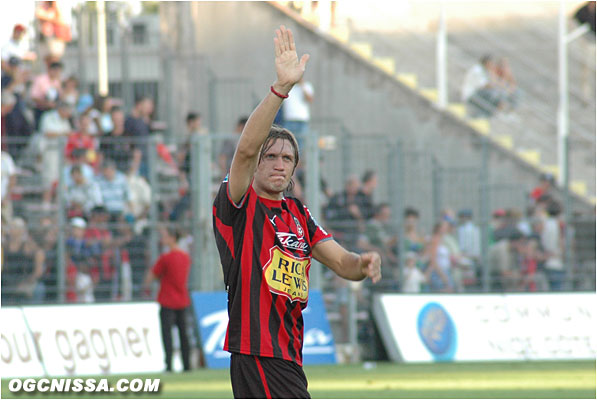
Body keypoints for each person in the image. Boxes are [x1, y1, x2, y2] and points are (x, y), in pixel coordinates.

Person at [211, 25, 381, 399]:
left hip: (289, 353)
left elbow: (341, 263)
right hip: (258, 352)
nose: (278, 164)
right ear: (256, 165)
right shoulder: (239, 203)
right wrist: (281, 89)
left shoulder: (298, 214)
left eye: (287, 158)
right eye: (269, 156)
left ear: (294, 169)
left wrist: (362, 262)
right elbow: (243, 151)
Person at [143, 226, 192, 372]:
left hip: (167, 300)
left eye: (165, 237)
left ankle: (169, 365)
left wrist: (147, 285)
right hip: (182, 300)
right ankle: (187, 365)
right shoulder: (185, 257)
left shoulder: (165, 258)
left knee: (167, 335)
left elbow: (152, 275)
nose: (162, 240)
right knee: (184, 334)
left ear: (171, 238)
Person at [282, 77, 313, 149]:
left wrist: (302, 85)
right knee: (287, 143)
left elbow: (309, 99)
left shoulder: (307, 86)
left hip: (302, 120)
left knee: (300, 145)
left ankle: (298, 159)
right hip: (289, 120)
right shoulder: (288, 88)